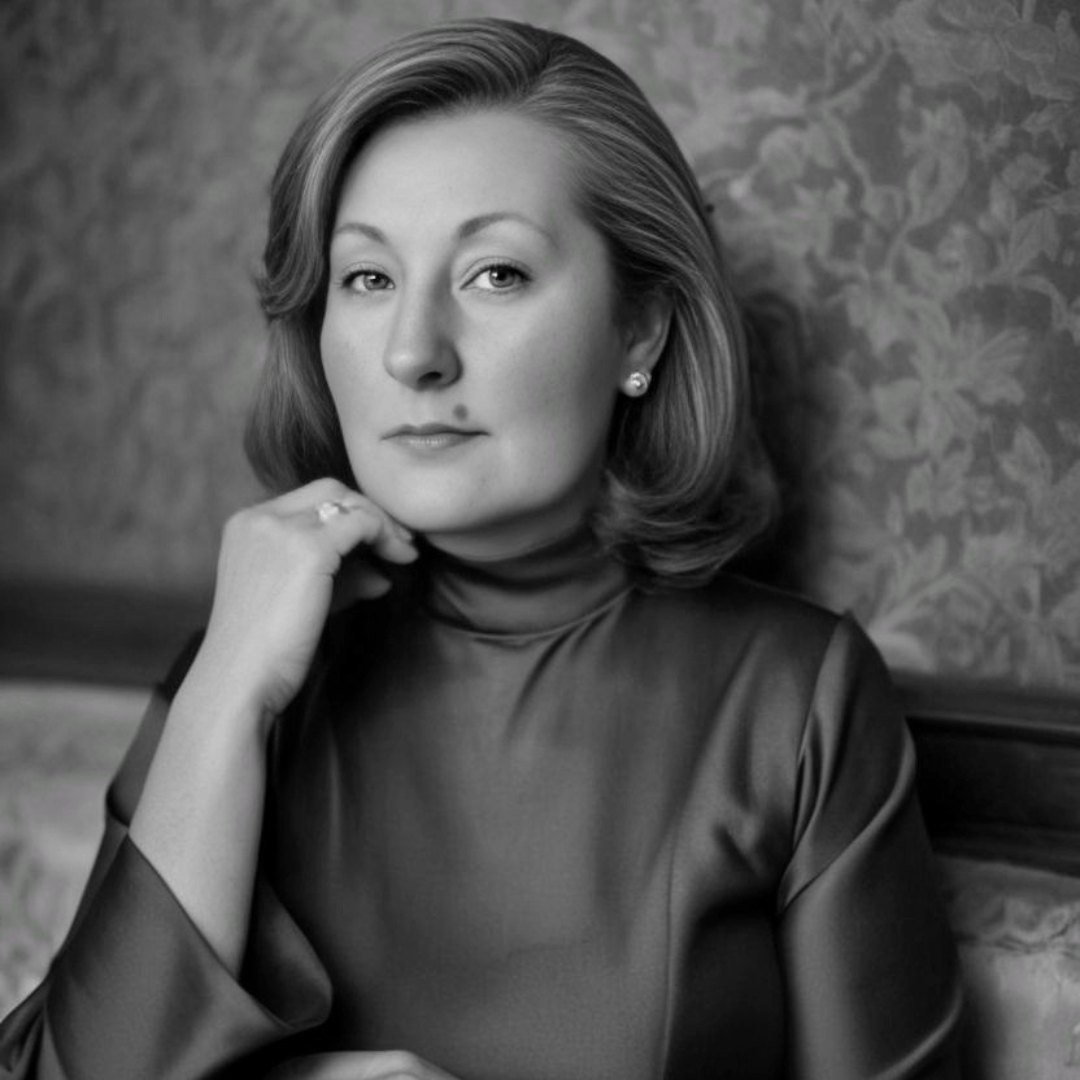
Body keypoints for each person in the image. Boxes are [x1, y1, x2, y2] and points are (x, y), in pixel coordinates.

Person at [0, 17, 962, 1080]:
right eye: (368, 280)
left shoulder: (794, 697)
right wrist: (225, 690)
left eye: (494, 274)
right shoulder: (242, 672)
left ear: (641, 328)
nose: (413, 352)